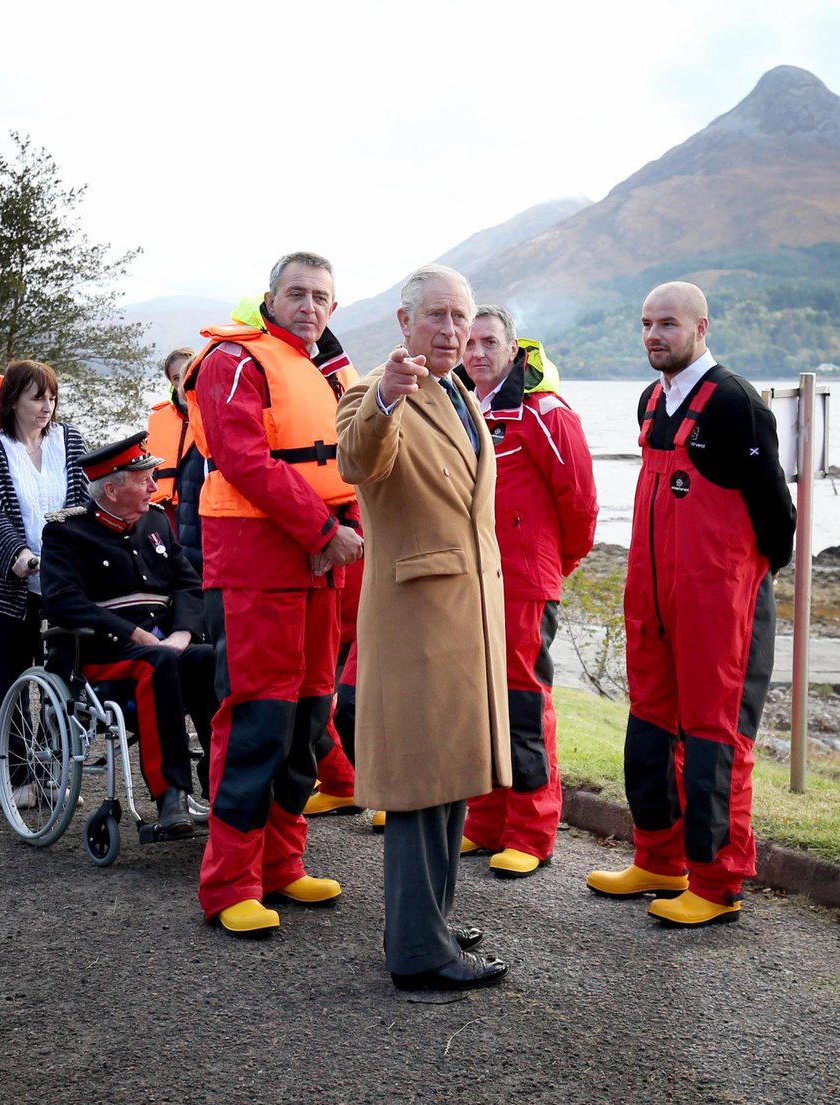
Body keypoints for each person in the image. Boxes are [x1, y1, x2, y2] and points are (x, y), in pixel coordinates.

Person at [586, 281, 796, 927]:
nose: (654, 334)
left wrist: (733, 585)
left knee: (714, 737)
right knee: (650, 726)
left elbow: (778, 521)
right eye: (646, 323)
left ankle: (715, 882)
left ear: (702, 326)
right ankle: (658, 857)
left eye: (668, 323)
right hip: (653, 598)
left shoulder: (737, 403)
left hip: (718, 605)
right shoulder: (652, 400)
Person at [337, 263, 512, 991]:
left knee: (452, 775)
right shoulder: (375, 388)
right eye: (435, 316)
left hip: (466, 615)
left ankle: (429, 918)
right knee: (418, 782)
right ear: (404, 322)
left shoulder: (460, 392)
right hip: (418, 617)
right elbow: (357, 457)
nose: (450, 330)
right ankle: (417, 949)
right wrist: (383, 397)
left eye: (459, 318)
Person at [185, 252, 362, 937]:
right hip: (260, 559)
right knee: (256, 719)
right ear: (271, 296)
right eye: (297, 293)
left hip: (323, 561)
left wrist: (341, 530)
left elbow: (349, 463)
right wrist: (322, 529)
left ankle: (283, 862)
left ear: (333, 308)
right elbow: (243, 456)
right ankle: (229, 882)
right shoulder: (236, 361)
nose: (308, 305)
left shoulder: (328, 370)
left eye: (320, 296)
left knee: (310, 716)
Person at [455, 307, 598, 877]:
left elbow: (581, 502)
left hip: (523, 581)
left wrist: (555, 566)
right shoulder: (460, 406)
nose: (478, 353)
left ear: (514, 350)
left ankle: (531, 829)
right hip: (470, 578)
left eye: (490, 342)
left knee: (523, 702)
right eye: (469, 342)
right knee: (478, 702)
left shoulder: (545, 411)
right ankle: (485, 821)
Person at [40, 433, 215, 834]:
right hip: (104, 654)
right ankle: (171, 795)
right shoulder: (67, 533)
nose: (154, 486)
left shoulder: (156, 521)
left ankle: (223, 786)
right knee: (156, 663)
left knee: (212, 659)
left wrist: (185, 634)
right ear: (113, 488)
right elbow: (63, 602)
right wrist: (134, 634)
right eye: (144, 478)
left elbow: (189, 586)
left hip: (167, 647)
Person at [0, 360, 88, 703]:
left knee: (64, 689)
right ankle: (15, 758)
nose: (47, 406)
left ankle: (56, 754)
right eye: (37, 398)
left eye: (51, 397)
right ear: (12, 401)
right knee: (11, 689)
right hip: (5, 590)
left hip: (61, 582)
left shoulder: (72, 441)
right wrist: (19, 555)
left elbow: (83, 505)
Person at [146, 347, 204, 571]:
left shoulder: (211, 413)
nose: (182, 382)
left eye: (186, 373)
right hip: (166, 515)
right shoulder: (159, 421)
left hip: (201, 511)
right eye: (176, 377)